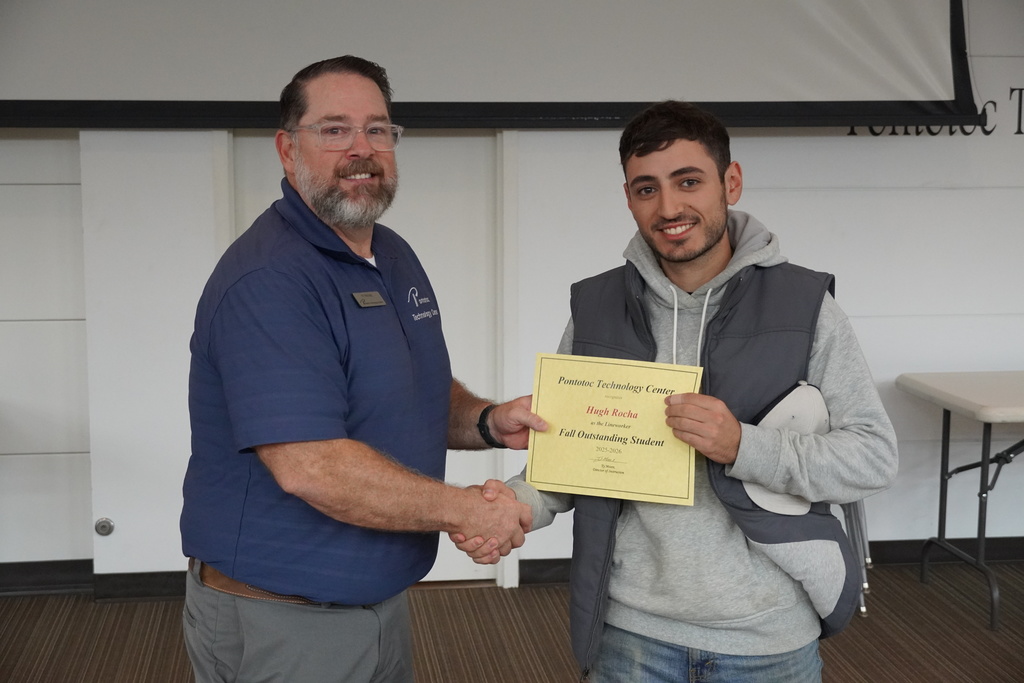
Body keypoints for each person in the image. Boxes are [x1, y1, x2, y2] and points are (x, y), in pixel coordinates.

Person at [454, 101, 899, 682]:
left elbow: (872, 456)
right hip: (631, 634)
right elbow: (573, 456)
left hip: (768, 639)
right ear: (628, 197)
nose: (668, 208)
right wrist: (513, 508)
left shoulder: (806, 306)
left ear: (730, 182)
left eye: (688, 181)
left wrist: (744, 445)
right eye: (646, 189)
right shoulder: (596, 307)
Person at [179, 55, 546, 683]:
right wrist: (467, 509)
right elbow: (311, 465)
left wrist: (485, 421)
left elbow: (406, 389)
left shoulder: (390, 253)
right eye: (334, 129)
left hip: (377, 601)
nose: (362, 148)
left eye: (378, 130)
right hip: (285, 617)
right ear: (286, 149)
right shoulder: (271, 279)